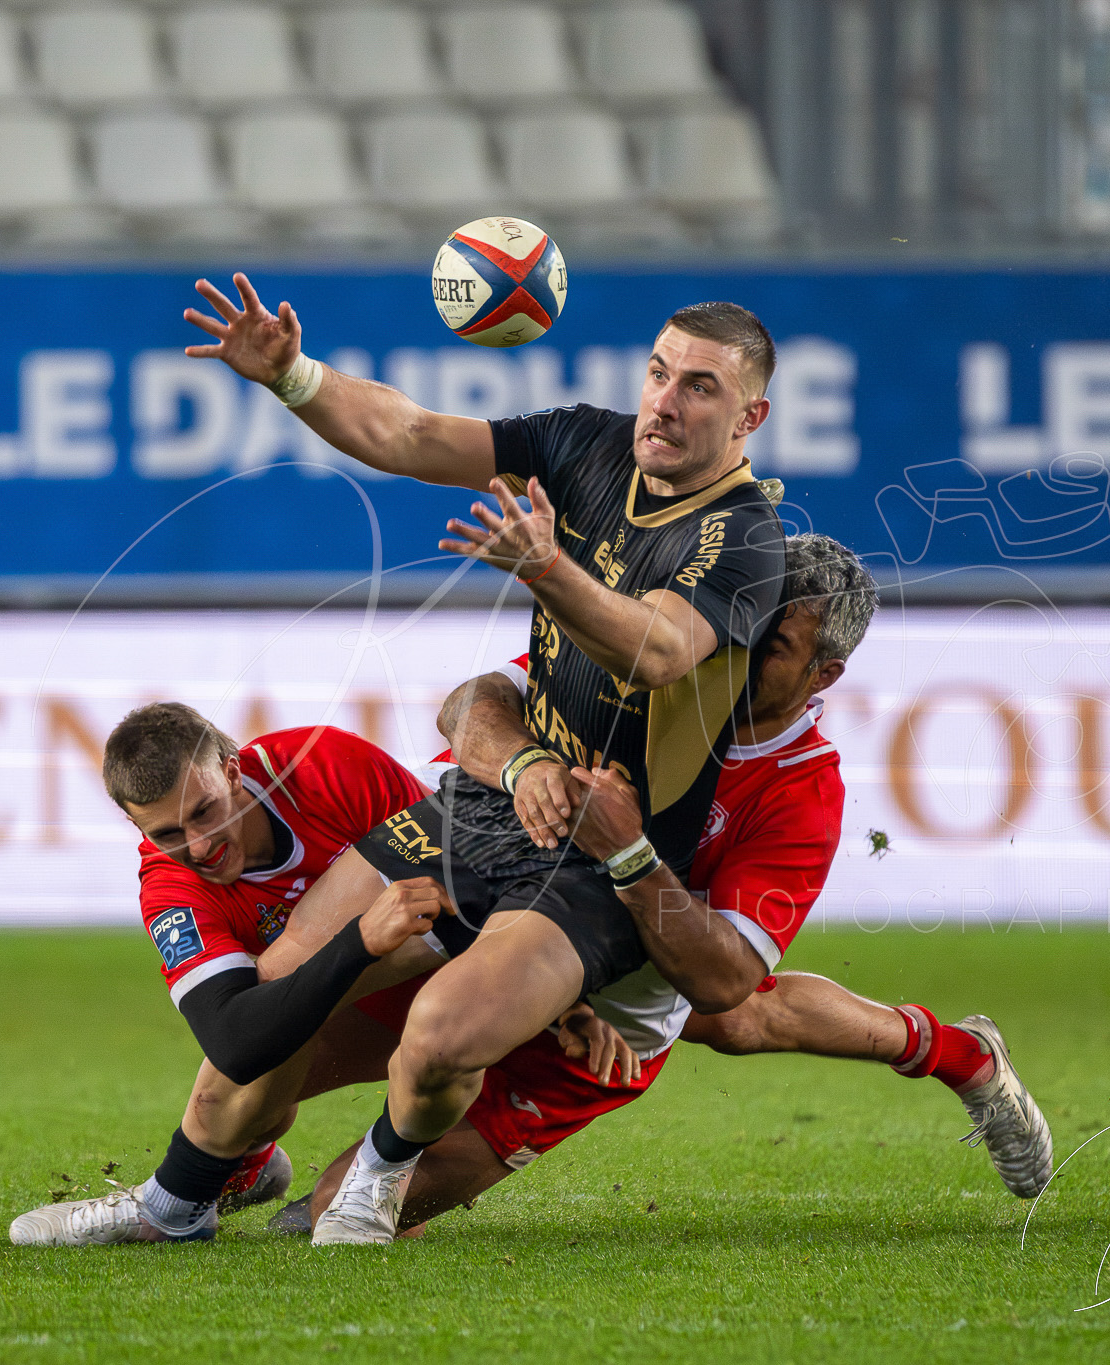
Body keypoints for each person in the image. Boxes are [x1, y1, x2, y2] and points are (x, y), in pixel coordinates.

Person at [184, 278, 792, 1242]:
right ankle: (176, 1200)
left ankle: (378, 1175)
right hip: (490, 798)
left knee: (440, 1038)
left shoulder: (748, 539)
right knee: (276, 995)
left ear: (750, 414)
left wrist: (549, 567)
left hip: (603, 850)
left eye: (701, 388)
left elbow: (665, 649)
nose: (666, 402)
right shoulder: (587, 440)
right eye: (659, 373)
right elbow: (412, 434)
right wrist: (293, 376)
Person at [292, 534, 1051, 1236]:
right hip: (486, 933)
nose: (741, 649)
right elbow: (472, 703)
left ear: (825, 673)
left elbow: (722, 978)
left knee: (728, 1012)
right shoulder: (654, 665)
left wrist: (628, 855)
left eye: (774, 645)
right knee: (272, 1032)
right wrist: (530, 767)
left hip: (611, 1024)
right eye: (741, 622)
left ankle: (962, 1055)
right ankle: (231, 1166)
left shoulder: (801, 795)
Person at [7, 705, 449, 1245]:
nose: (199, 847)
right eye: (167, 832)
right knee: (261, 1015)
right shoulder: (170, 889)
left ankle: (181, 1195)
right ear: (135, 823)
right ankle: (222, 1173)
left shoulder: (327, 766)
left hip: (472, 958)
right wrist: (357, 941)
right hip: (364, 990)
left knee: (288, 987)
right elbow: (234, 1041)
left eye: (205, 812)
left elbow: (464, 864)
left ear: (234, 772)